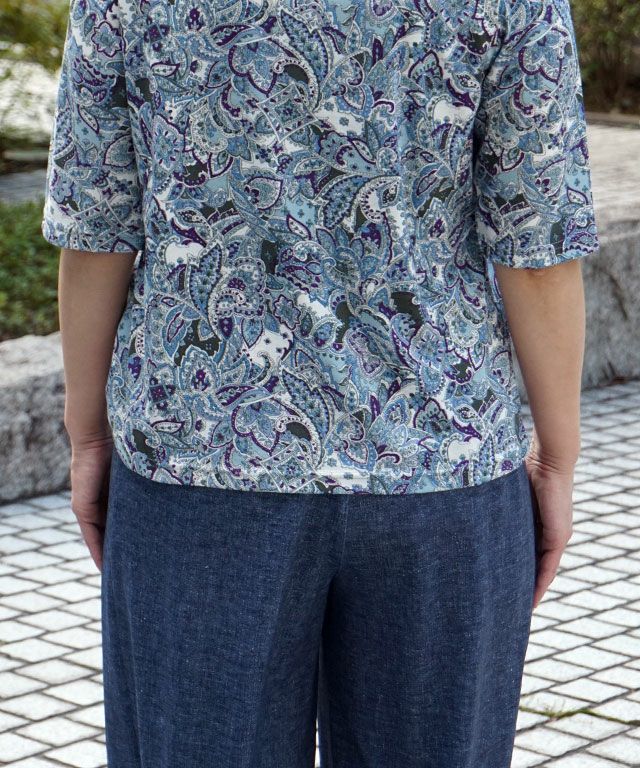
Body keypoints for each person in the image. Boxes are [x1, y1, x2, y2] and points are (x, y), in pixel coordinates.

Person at [41, 0, 600, 765]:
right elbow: (537, 247)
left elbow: (95, 229)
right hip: (441, 462)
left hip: (199, 462)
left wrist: (87, 437)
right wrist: (558, 459)